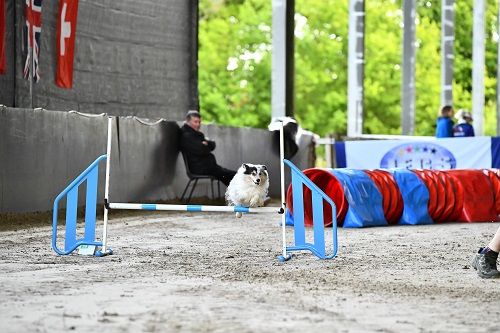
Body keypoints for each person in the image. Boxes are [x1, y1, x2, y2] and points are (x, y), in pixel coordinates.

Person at [179, 110, 236, 186]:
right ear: (187, 121)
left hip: (208, 166)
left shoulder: (196, 134)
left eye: (199, 122)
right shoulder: (187, 136)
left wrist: (206, 144)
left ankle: (236, 194)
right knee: (230, 175)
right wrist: (205, 145)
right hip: (199, 168)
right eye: (195, 122)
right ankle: (237, 193)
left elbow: (212, 145)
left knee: (227, 175)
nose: (198, 124)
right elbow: (202, 150)